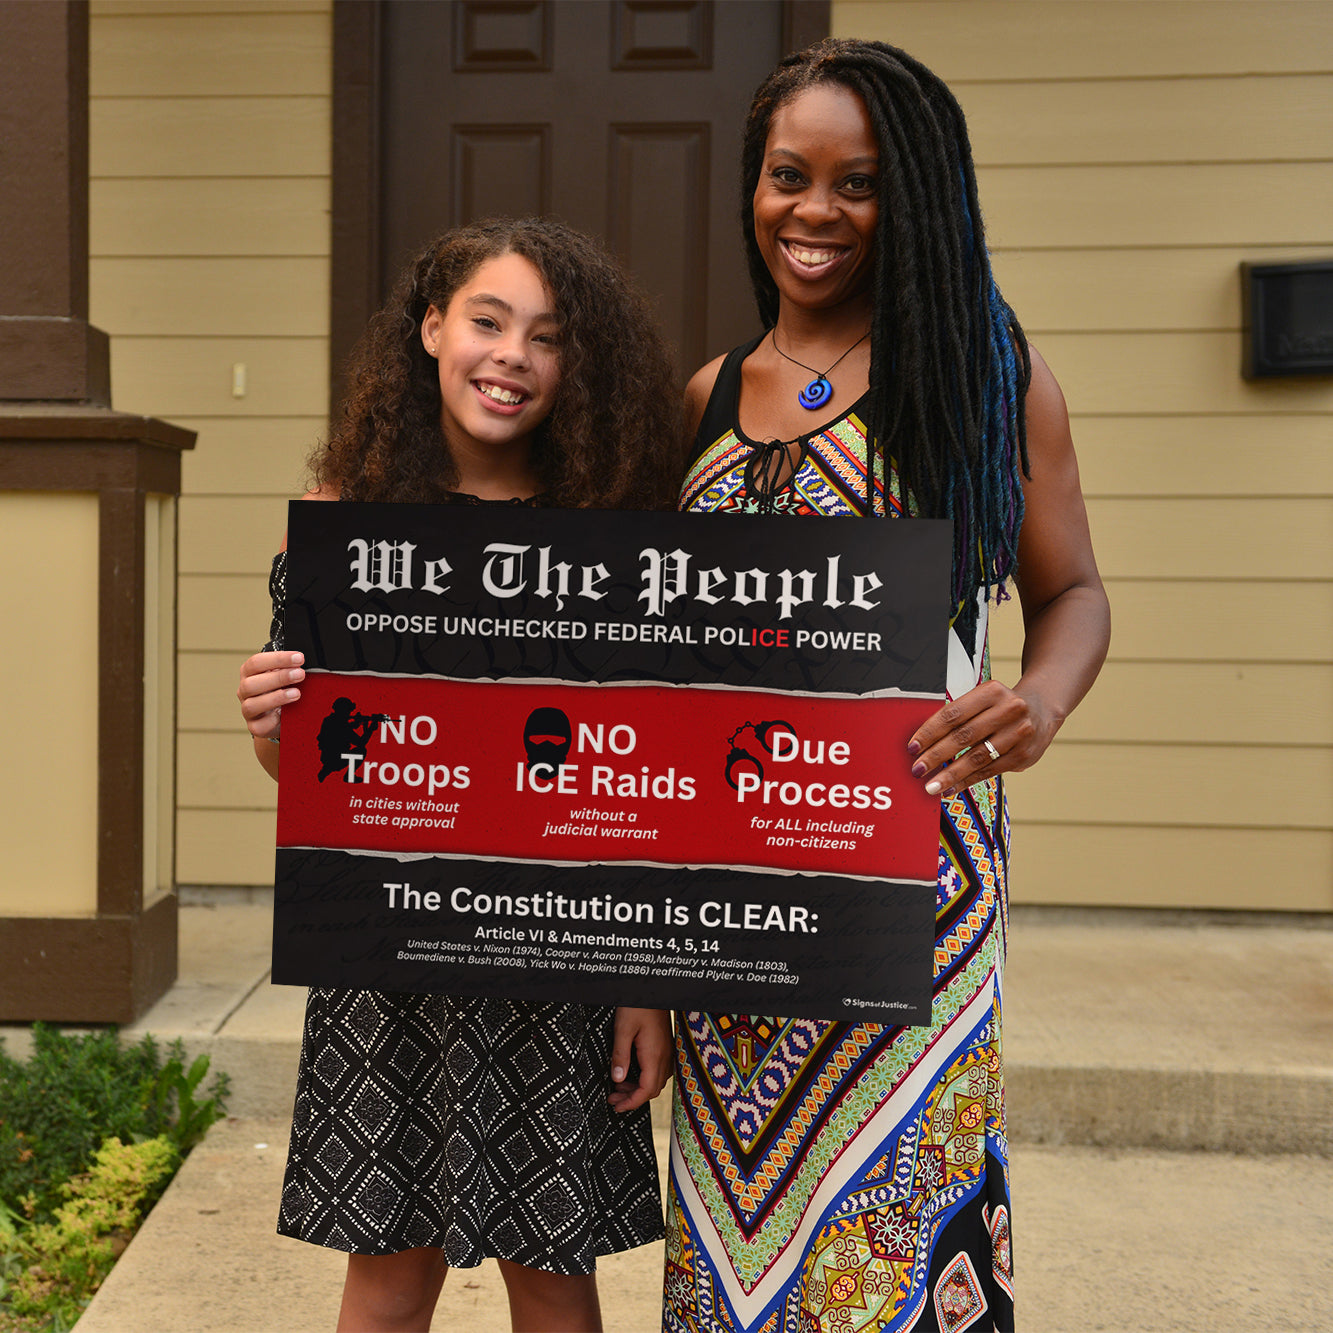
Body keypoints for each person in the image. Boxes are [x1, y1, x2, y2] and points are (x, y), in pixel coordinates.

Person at [664, 39, 1110, 1333]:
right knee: (736, 1243)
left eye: (856, 184)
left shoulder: (982, 383)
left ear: (912, 197)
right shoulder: (700, 402)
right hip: (732, 903)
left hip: (916, 881)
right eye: (786, 175)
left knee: (895, 1229)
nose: (813, 211)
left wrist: (1040, 701)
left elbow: (1075, 592)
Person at [236, 218, 682, 1333]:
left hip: (561, 943)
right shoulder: (348, 526)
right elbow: (314, 773)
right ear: (432, 329)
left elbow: (653, 777)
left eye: (547, 335)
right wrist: (268, 724)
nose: (512, 355)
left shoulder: (613, 542)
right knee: (388, 1273)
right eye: (487, 320)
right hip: (390, 949)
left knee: (552, 1276)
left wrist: (645, 980)